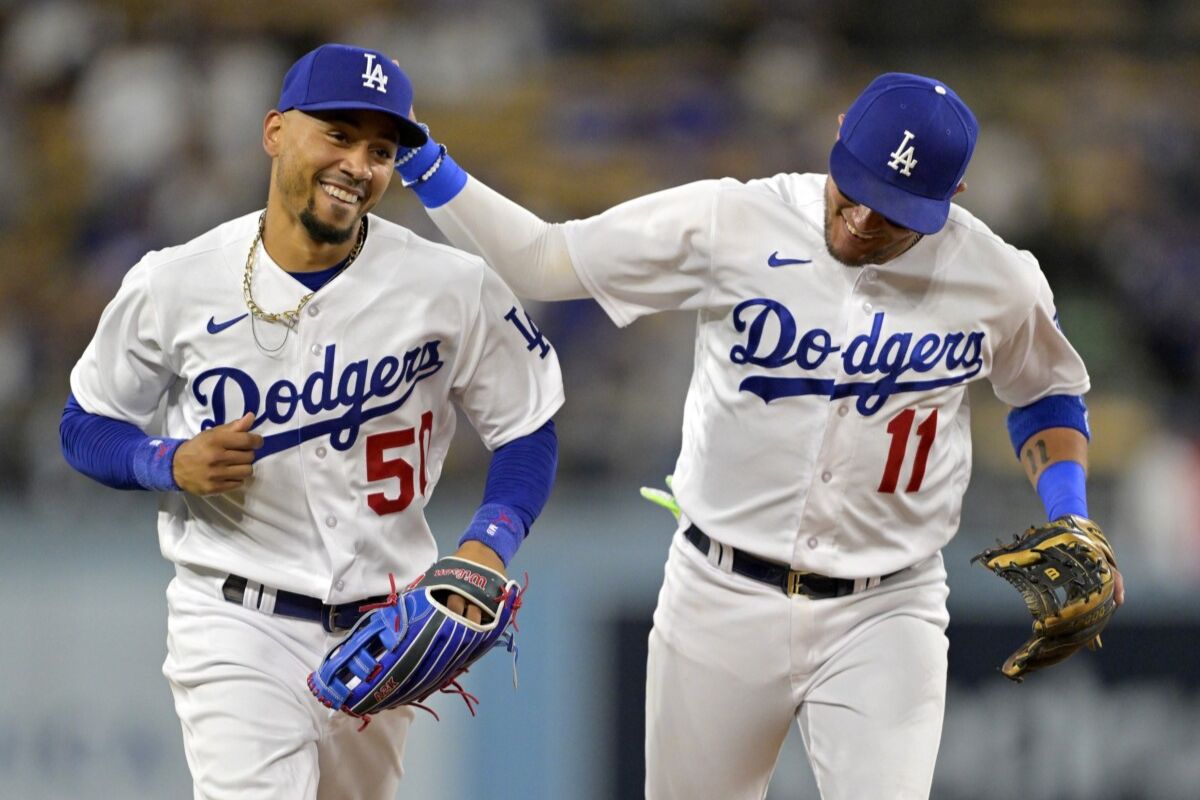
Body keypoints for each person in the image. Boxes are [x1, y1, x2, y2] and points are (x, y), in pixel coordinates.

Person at [395, 72, 1125, 799]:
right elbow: (546, 260)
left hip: (886, 607)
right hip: (721, 592)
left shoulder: (998, 279)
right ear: (838, 134)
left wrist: (1070, 511)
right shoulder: (734, 221)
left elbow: (1047, 392)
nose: (864, 220)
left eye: (896, 212)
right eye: (856, 188)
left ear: (951, 201)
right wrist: (426, 162)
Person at [60, 44, 563, 800]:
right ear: (274, 133)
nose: (358, 163)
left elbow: (529, 421)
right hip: (234, 618)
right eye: (338, 134)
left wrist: (491, 543)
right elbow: (85, 421)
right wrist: (165, 462)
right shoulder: (177, 279)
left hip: (384, 631)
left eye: (381, 149)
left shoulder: (449, 283)